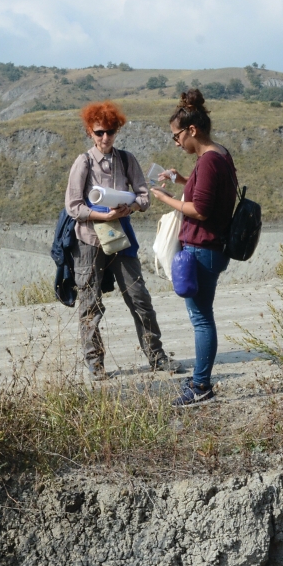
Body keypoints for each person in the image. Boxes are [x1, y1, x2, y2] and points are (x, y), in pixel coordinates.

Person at [64, 101, 179, 381]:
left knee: (140, 298)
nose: (105, 138)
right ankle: (95, 364)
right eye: (100, 132)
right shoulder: (84, 162)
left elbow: (143, 196)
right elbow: (73, 206)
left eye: (111, 132)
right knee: (90, 305)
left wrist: (131, 207)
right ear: (90, 132)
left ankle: (156, 356)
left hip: (122, 239)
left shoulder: (126, 160)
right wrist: (100, 215)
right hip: (90, 241)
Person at [150, 89, 239, 407]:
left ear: (192, 130)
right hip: (210, 248)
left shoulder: (210, 161)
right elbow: (207, 193)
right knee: (202, 316)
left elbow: (200, 210)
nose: (176, 143)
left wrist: (164, 198)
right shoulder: (218, 156)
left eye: (177, 136)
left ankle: (201, 385)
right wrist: (180, 180)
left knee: (201, 318)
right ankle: (201, 380)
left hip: (203, 247)